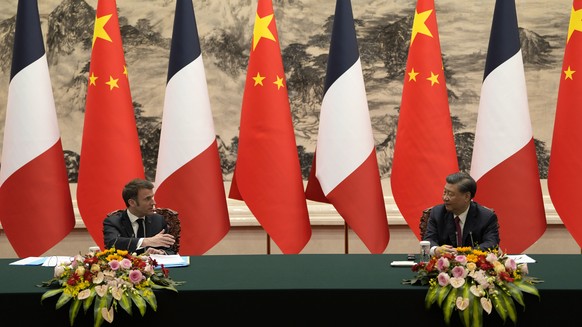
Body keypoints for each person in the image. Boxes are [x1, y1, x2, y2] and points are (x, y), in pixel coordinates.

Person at [423, 171, 499, 257]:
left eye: (450, 194)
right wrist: (436, 250)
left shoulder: (486, 217)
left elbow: (491, 244)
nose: (445, 198)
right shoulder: (437, 213)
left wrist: (464, 253)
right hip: (442, 266)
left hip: (474, 267)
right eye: (444, 192)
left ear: (467, 196)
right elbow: (428, 240)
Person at [103, 178, 176, 255]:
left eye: (152, 197)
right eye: (147, 199)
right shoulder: (114, 222)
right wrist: (146, 241)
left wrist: (161, 253)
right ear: (132, 203)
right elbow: (112, 243)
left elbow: (170, 250)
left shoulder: (158, 220)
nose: (154, 203)